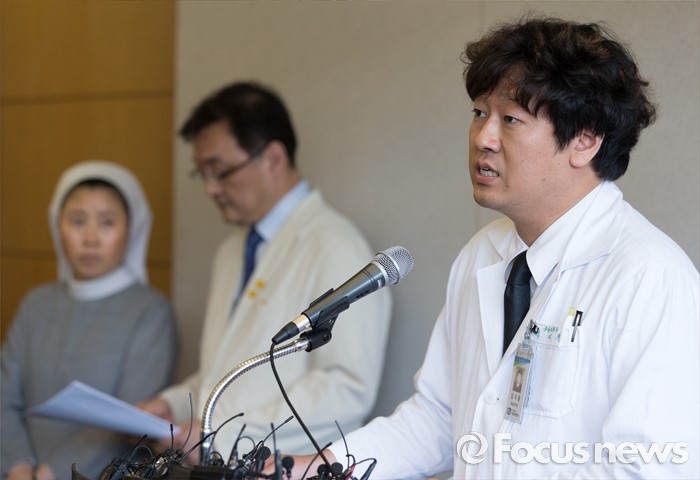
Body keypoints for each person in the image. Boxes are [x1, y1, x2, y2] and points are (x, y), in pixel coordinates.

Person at [280, 17, 700, 479]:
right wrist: (309, 470)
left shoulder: (649, 277)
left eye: (511, 120)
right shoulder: (482, 253)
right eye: (480, 113)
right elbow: (439, 420)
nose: (483, 138)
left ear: (584, 140)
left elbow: (650, 469)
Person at [138, 82, 392, 461]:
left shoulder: (337, 247)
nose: (210, 189)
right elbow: (228, 372)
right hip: (220, 463)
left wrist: (219, 436)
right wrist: (171, 404)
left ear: (273, 158)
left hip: (281, 465)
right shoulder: (232, 251)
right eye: (202, 174)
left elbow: (345, 390)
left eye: (220, 171)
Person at [1, 161, 179, 480]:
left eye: (107, 222)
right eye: (77, 221)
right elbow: (4, 397)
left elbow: (130, 419)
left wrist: (51, 473)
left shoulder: (151, 311)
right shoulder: (35, 303)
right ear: (58, 225)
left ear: (132, 228)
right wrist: (18, 465)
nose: (91, 238)